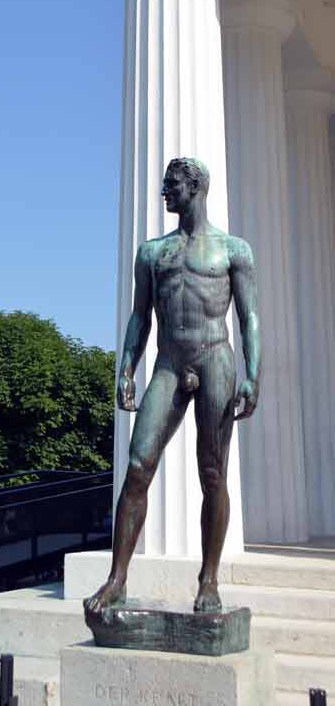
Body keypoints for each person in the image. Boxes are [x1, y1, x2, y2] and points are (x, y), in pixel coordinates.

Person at [85, 158, 261, 617]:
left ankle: (208, 579)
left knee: (212, 472)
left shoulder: (232, 250)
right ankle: (118, 578)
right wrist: (125, 369)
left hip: (216, 358)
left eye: (172, 185)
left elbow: (249, 318)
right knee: (138, 465)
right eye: (165, 184)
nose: (165, 191)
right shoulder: (151, 253)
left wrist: (253, 374)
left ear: (197, 188)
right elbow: (140, 316)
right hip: (168, 361)